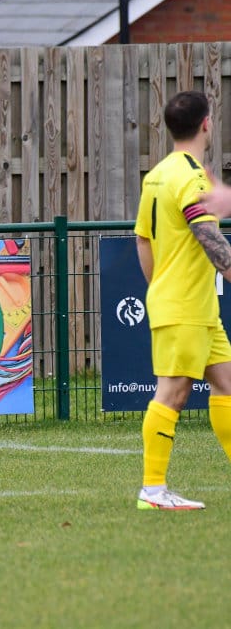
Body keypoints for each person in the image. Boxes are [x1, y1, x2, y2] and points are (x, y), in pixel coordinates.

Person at [132, 90, 231, 510]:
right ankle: (153, 491)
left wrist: (160, 285)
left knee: (227, 383)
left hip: (194, 307)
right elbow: (209, 238)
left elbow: (142, 238)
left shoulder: (156, 175)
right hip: (186, 306)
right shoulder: (192, 178)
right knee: (172, 393)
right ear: (207, 124)